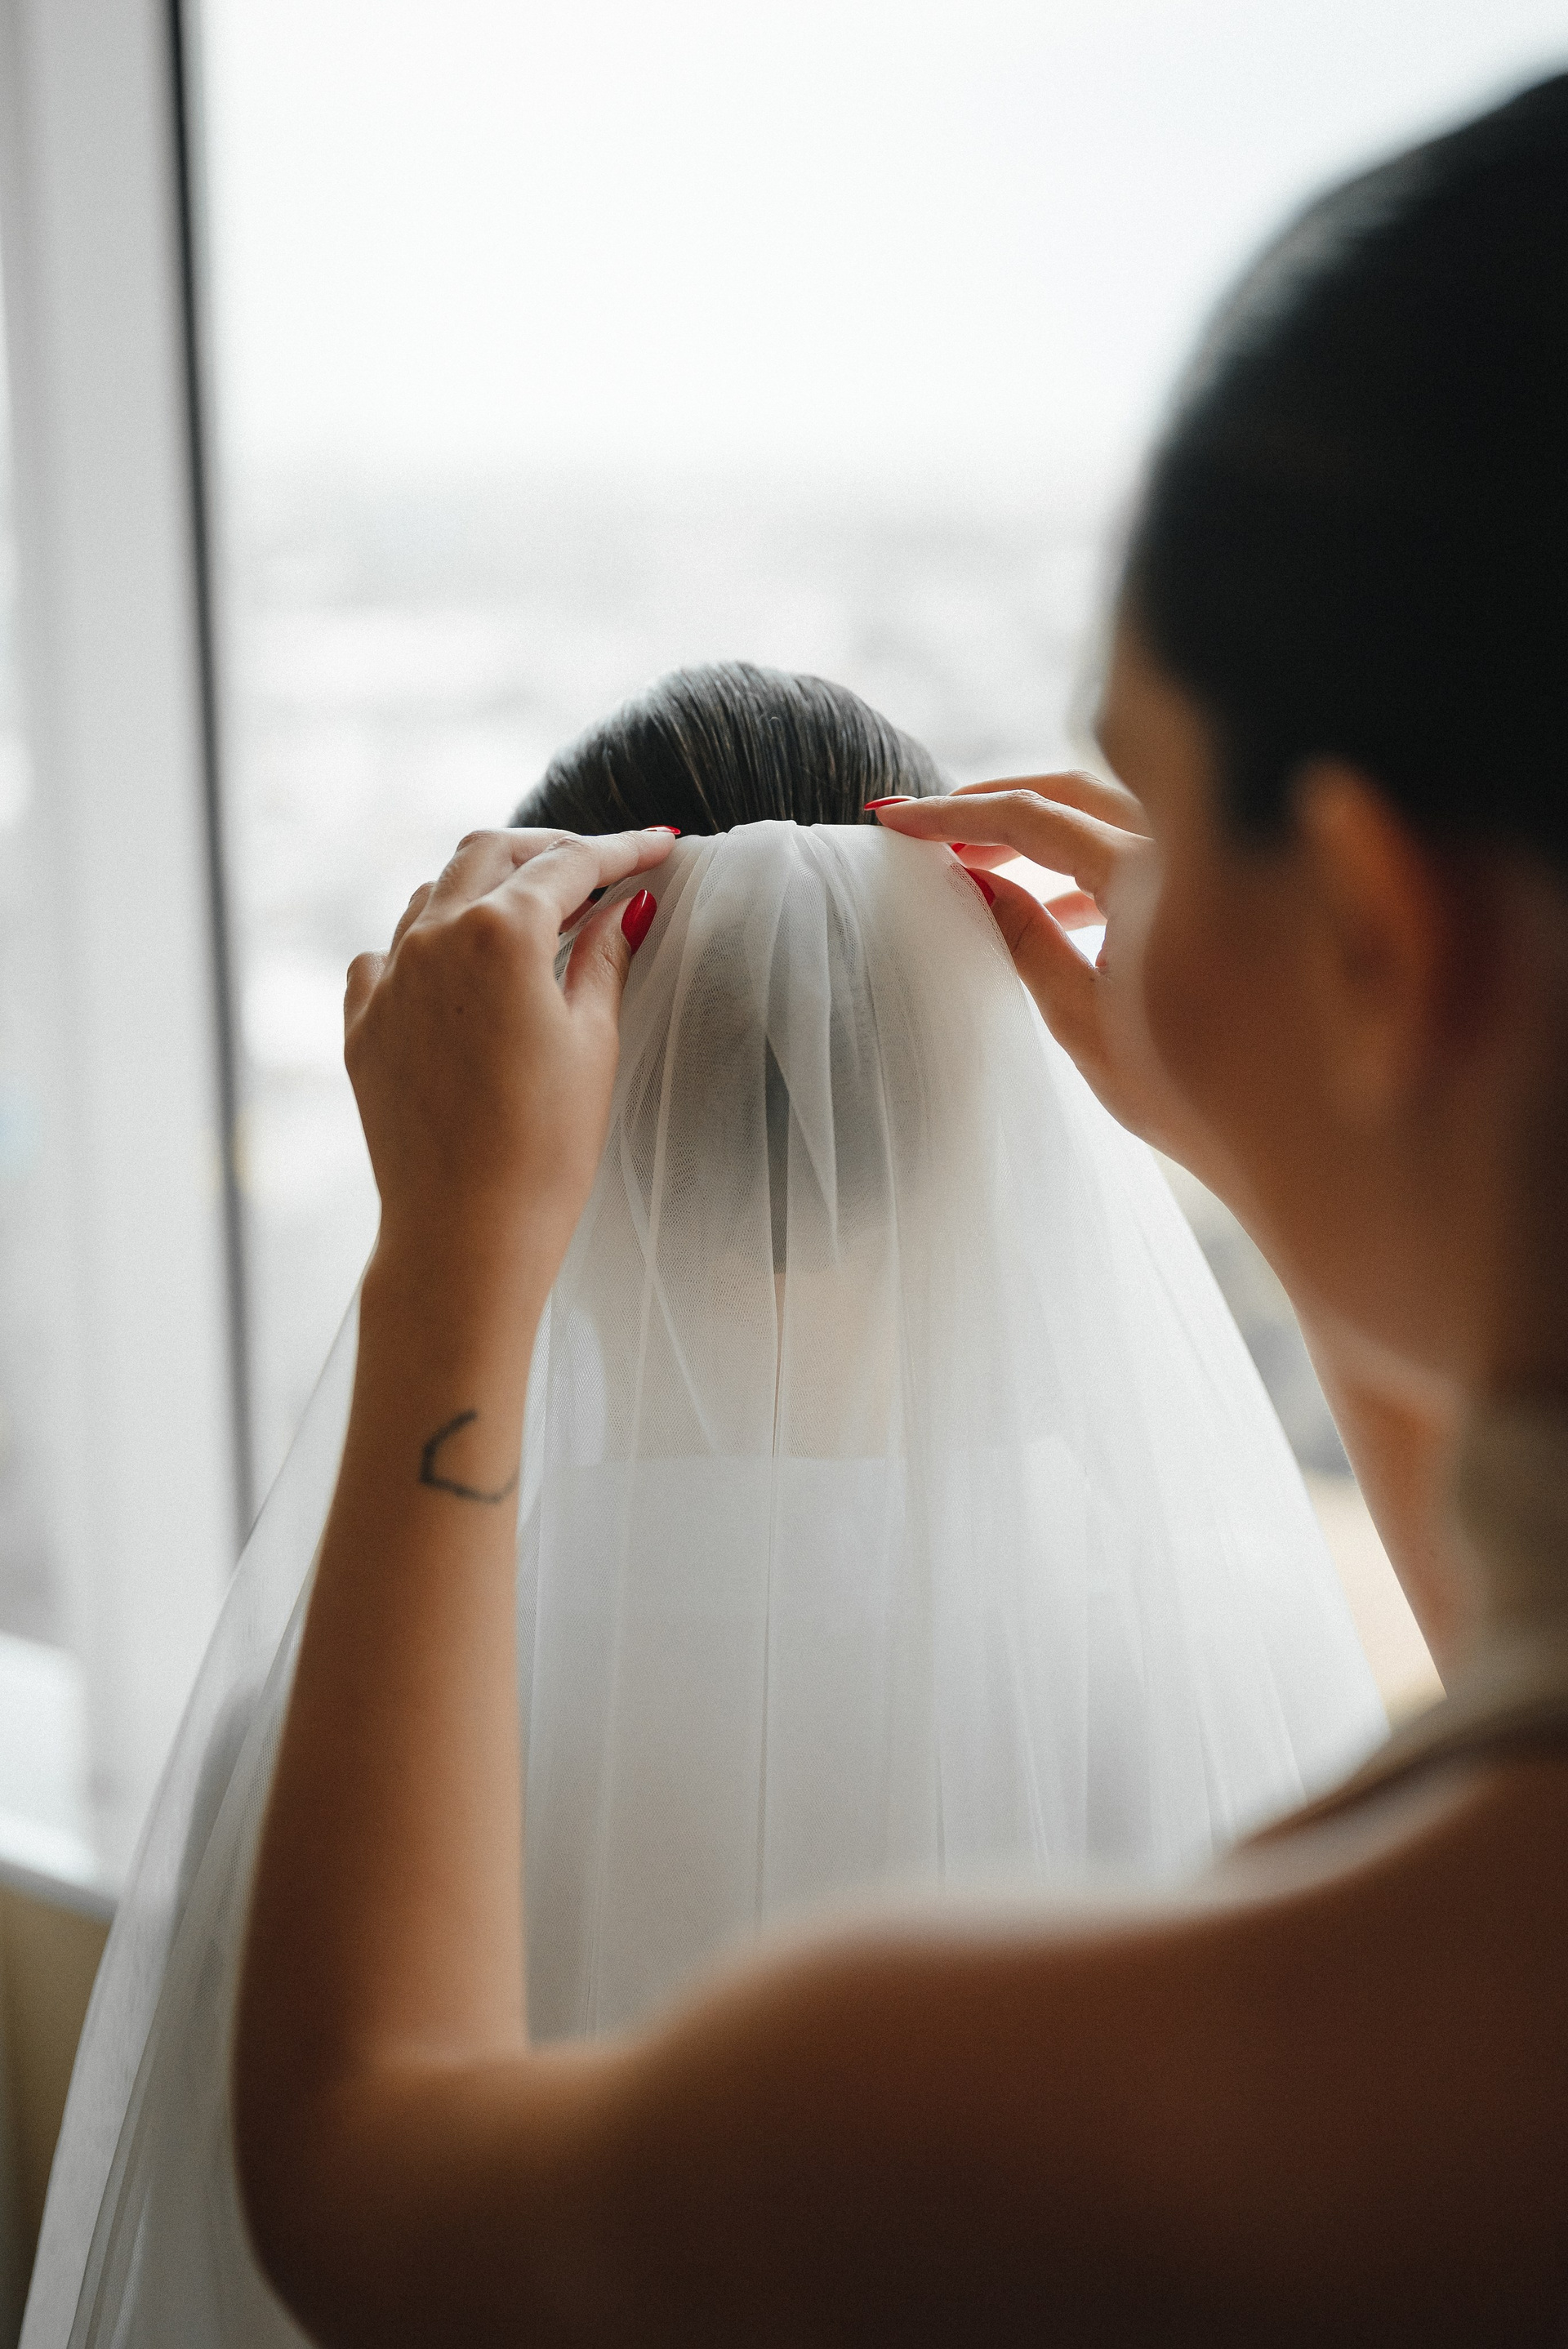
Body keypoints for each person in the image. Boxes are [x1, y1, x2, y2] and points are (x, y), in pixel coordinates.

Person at [219, 67, 1568, 2344]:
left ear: (1375, 933)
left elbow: (363, 2166)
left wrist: (446, 1271)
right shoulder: (1308, 1769)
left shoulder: (1008, 2072)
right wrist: (1282, 1130)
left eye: (1159, 802)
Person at [20, 662, 1380, 2349]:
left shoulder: (339, 1735)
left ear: (533, 1110)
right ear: (996, 1095)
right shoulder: (1208, 1673)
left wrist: (444, 1253)